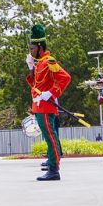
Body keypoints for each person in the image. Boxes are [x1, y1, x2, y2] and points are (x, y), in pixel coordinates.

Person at [27, 25, 71, 181]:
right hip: (39, 106)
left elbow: (65, 78)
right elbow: (35, 85)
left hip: (46, 107)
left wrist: (51, 93)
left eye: (32, 49)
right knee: (48, 137)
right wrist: (31, 68)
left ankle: (54, 169)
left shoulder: (49, 61)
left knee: (51, 136)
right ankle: (52, 166)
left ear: (40, 47)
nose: (30, 52)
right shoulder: (39, 63)